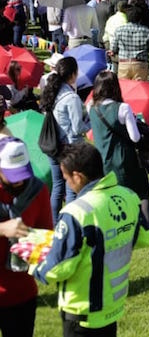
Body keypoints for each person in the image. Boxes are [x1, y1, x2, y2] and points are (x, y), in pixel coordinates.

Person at [33, 142, 149, 336]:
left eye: (65, 178)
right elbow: (143, 238)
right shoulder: (128, 196)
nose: (66, 184)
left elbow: (57, 269)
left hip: (82, 312)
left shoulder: (76, 212)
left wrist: (32, 261)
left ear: (77, 176)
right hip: (112, 306)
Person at [1, 137, 53, 337]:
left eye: (23, 172)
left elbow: (47, 234)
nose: (20, 181)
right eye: (12, 175)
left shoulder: (38, 190)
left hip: (21, 293)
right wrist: (3, 229)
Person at [87, 71, 149, 228]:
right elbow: (135, 137)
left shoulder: (91, 107)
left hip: (102, 159)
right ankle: (146, 227)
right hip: (124, 158)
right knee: (142, 191)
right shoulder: (123, 108)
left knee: (112, 194)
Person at [40, 57, 85, 224]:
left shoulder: (51, 92)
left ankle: (55, 222)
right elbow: (77, 128)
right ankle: (69, 223)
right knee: (71, 188)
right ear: (73, 74)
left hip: (53, 145)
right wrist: (89, 121)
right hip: (69, 147)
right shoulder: (71, 98)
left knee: (58, 186)